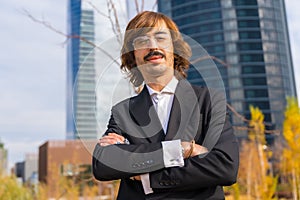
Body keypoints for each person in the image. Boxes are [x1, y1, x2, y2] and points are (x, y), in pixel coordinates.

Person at [92, 11, 239, 200]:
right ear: (133, 55)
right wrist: (182, 150)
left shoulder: (209, 100)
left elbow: (225, 166)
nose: (152, 46)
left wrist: (147, 177)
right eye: (142, 41)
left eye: (160, 38)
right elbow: (104, 164)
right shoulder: (122, 112)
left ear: (174, 49)